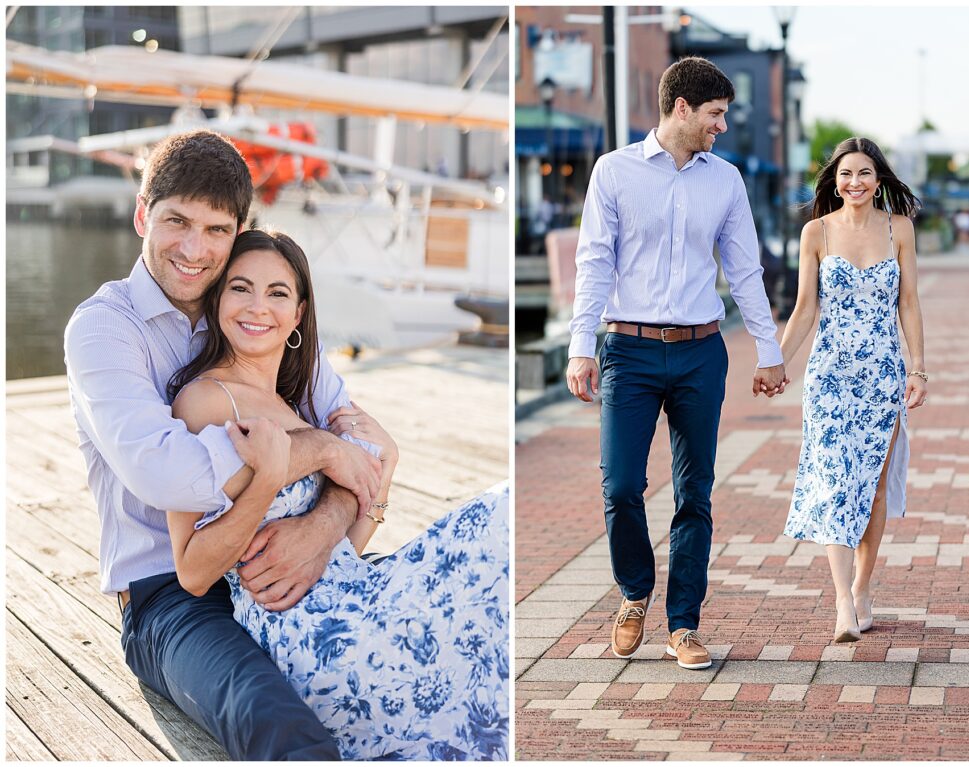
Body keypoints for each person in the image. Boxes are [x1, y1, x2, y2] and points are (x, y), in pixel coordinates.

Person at [65, 130, 385, 759]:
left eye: (216, 230)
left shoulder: (252, 308)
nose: (193, 248)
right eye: (176, 221)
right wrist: (316, 453)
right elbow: (163, 474)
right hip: (170, 597)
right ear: (141, 216)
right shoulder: (104, 329)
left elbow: (367, 441)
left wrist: (326, 526)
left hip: (281, 562)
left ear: (239, 232)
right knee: (281, 730)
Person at [165, 229, 509, 760]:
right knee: (500, 519)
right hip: (304, 633)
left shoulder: (297, 406)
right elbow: (191, 570)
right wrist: (286, 471)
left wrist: (385, 471)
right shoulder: (205, 400)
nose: (258, 307)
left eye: (278, 293)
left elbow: (343, 545)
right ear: (218, 300)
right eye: (241, 288)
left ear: (298, 314)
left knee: (498, 538)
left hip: (359, 590)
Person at [565, 56, 787, 670]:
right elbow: (594, 263)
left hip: (699, 351)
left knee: (695, 492)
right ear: (680, 108)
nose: (722, 126)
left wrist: (768, 352)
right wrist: (581, 345)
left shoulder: (727, 180)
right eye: (715, 114)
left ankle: (684, 624)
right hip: (628, 350)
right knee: (620, 485)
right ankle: (636, 591)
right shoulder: (614, 172)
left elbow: (744, 270)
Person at [779, 137, 927, 642]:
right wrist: (775, 361)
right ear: (834, 180)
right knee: (837, 483)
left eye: (864, 173)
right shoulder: (815, 232)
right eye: (846, 174)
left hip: (883, 375)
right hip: (829, 378)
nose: (855, 182)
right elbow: (804, 308)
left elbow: (909, 302)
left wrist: (918, 368)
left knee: (876, 491)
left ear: (879, 179)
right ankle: (843, 603)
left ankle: (863, 587)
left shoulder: (899, 229)